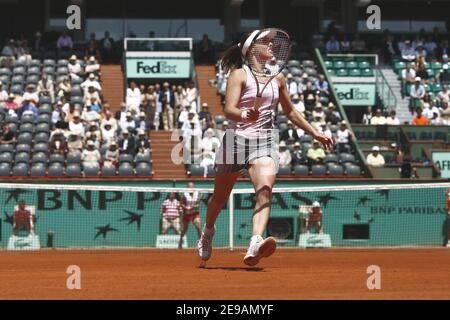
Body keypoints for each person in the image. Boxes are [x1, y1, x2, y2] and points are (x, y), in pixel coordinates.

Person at [197, 30, 333, 265]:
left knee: (265, 190)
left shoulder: (278, 78)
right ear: (250, 49)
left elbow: (290, 112)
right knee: (219, 198)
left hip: (265, 141)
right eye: (266, 42)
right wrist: (244, 114)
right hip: (236, 140)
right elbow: (229, 109)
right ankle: (207, 232)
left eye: (272, 41)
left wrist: (315, 132)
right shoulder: (239, 75)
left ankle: (255, 242)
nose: (272, 45)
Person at [179, 182, 202, 249]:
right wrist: (186, 207)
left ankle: (201, 243)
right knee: (184, 229)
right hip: (186, 214)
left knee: (198, 225)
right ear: (187, 188)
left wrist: (195, 206)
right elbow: (181, 203)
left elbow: (198, 204)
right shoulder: (184, 195)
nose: (191, 188)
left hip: (195, 213)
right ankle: (180, 240)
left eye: (192, 187)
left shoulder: (197, 194)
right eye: (189, 187)